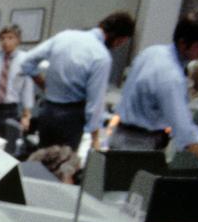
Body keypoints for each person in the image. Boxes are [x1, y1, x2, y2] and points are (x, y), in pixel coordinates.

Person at [21, 11, 135, 151]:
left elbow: (26, 62)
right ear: (119, 39)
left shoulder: (65, 36)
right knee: (64, 165)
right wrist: (95, 139)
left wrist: (44, 85)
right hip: (71, 117)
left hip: (47, 111)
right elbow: (95, 103)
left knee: (42, 162)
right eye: (122, 42)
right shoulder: (101, 56)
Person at [112, 17, 198, 165]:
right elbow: (184, 130)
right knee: (133, 186)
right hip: (140, 144)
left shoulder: (153, 52)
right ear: (183, 43)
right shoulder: (170, 76)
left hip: (121, 134)